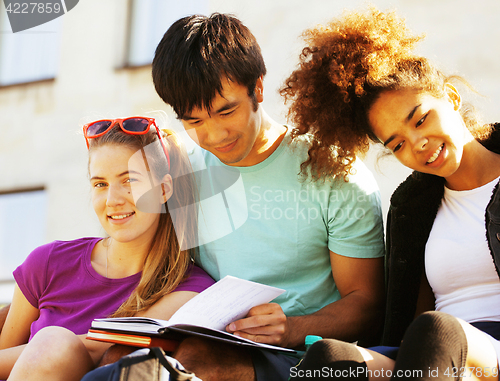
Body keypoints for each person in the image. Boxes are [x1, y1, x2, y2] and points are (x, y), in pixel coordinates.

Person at [150, 12, 385, 381]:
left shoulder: (335, 172)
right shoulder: (180, 170)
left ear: (257, 88)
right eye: (193, 121)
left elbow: (367, 302)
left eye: (226, 111)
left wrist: (291, 327)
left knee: (198, 363)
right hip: (207, 341)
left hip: (306, 357)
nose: (213, 136)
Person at [280, 7, 500, 379]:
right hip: (431, 359)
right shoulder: (410, 206)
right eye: (397, 144)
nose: (418, 144)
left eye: (420, 119)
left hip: (479, 352)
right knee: (327, 360)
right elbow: (411, 321)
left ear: (449, 96)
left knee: (438, 330)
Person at [0, 117, 215, 381]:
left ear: (163, 189)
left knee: (53, 342)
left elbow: (97, 347)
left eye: (129, 180)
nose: (112, 200)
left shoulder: (191, 291)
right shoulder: (46, 263)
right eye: (100, 184)